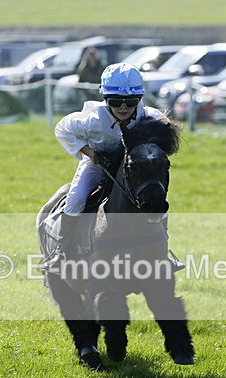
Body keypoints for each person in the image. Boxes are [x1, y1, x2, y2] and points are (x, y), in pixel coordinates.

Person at [41, 63, 169, 272]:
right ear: (104, 99)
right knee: (76, 200)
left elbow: (167, 134)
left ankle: (163, 253)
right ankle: (61, 251)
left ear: (140, 99)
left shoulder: (150, 117)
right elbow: (62, 129)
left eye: (130, 102)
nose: (123, 107)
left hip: (133, 168)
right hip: (99, 164)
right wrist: (89, 152)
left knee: (156, 199)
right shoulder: (91, 119)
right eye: (115, 101)